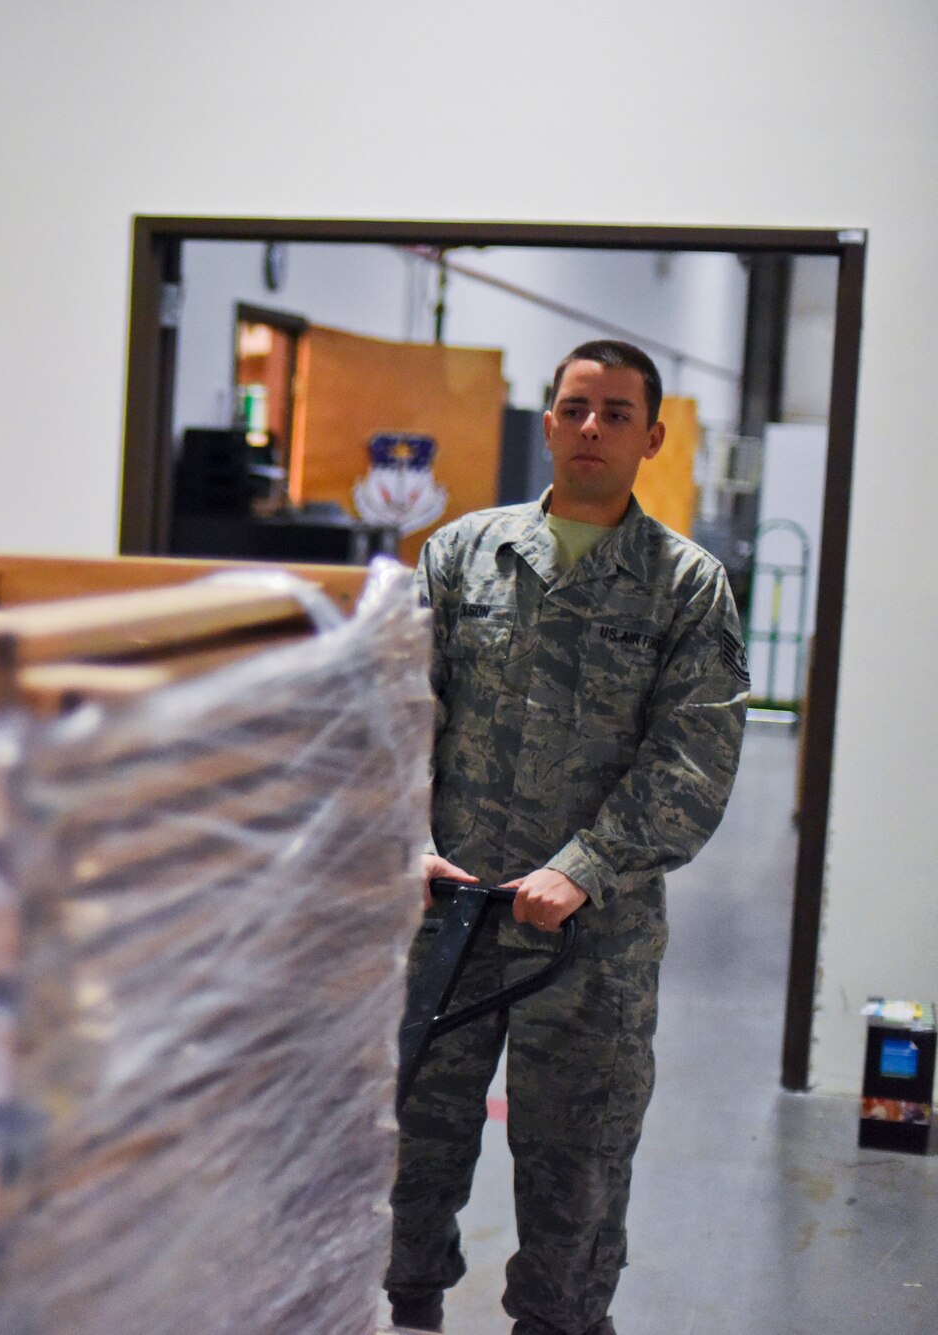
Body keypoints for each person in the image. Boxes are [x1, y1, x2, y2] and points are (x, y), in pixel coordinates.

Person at [386, 339, 748, 1335]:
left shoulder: (684, 586)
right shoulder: (459, 555)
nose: (591, 428)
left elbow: (693, 757)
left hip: (590, 944)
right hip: (443, 918)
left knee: (575, 1175)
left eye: (615, 413)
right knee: (406, 1153)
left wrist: (582, 869)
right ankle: (403, 1309)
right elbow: (395, 717)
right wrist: (404, 843)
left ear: (650, 436)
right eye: (574, 408)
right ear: (544, 421)